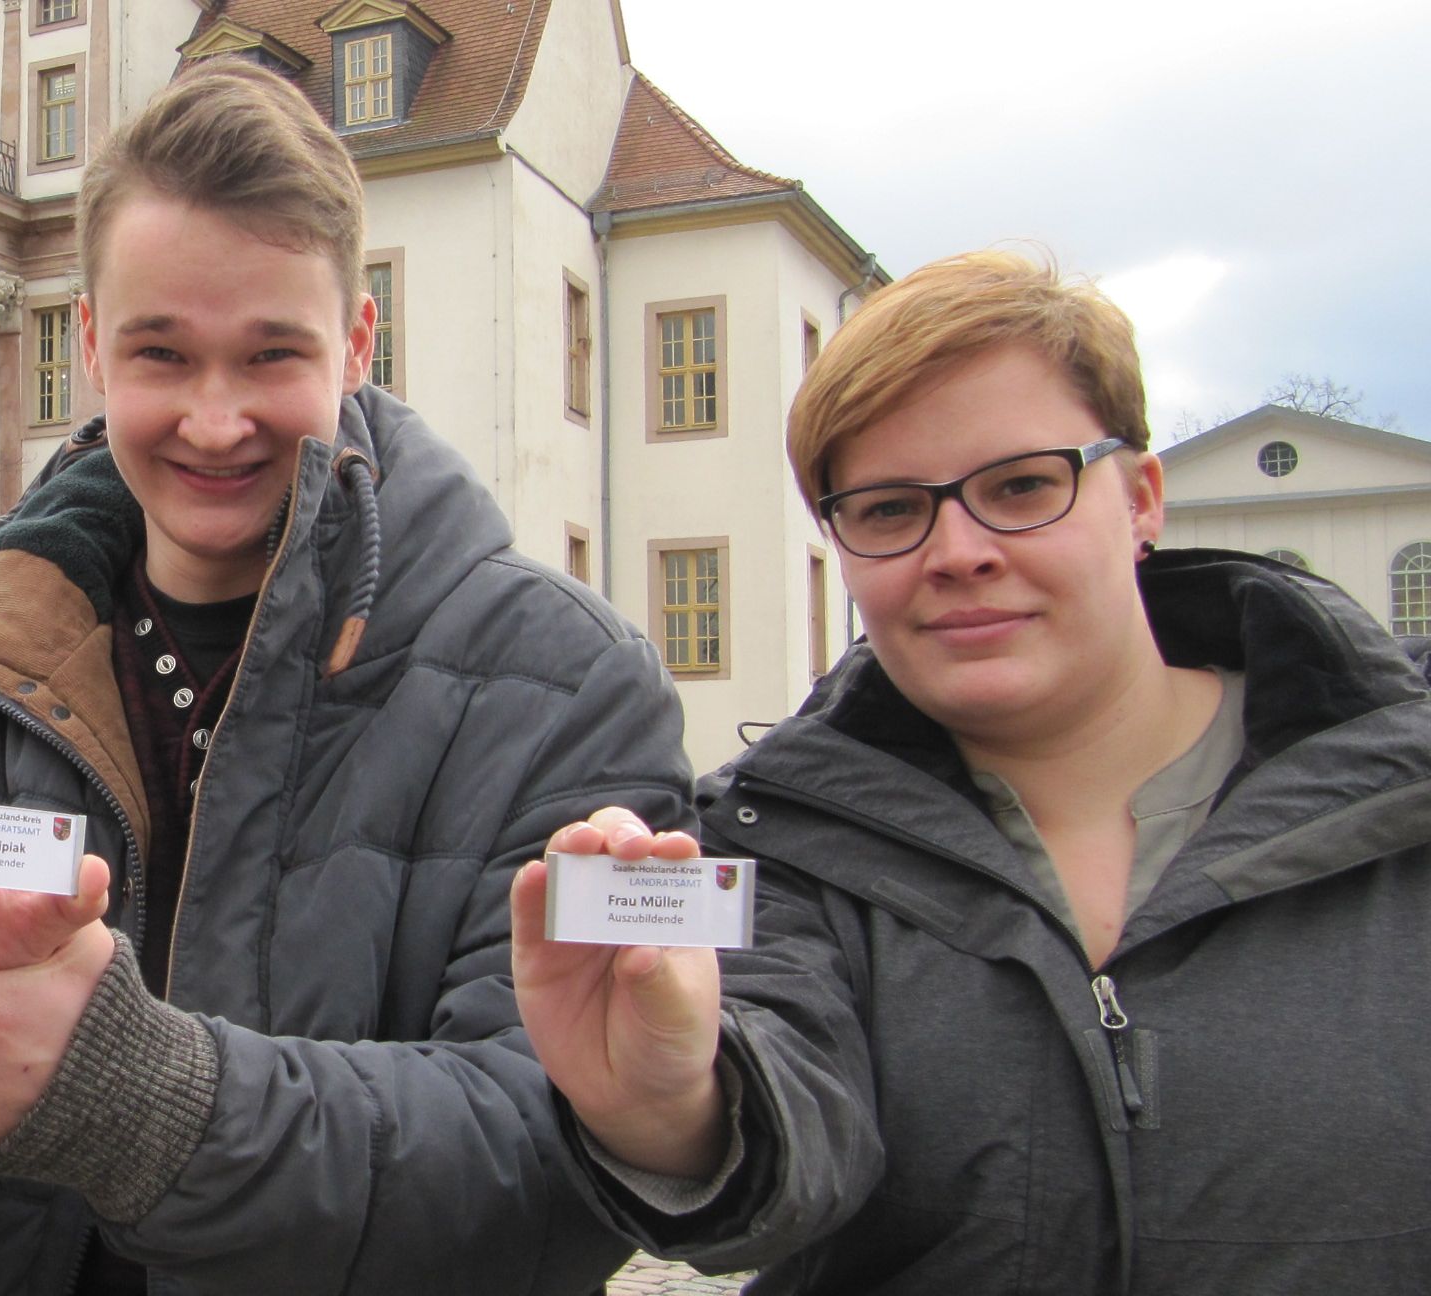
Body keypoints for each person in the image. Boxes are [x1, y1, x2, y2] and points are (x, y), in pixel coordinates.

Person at [0, 60, 695, 1295]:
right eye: (160, 353)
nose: (212, 420)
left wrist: (139, 1100)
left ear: (358, 342)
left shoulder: (569, 680)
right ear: (88, 343)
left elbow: (559, 1167)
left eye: (268, 356)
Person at [511, 251, 1431, 1292]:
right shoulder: (777, 843)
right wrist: (670, 1108)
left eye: (1023, 486)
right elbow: (787, 1155)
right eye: (892, 509)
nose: (958, 549)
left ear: (1141, 499)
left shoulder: (1398, 798)